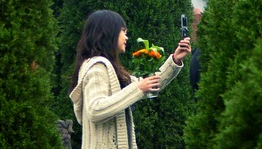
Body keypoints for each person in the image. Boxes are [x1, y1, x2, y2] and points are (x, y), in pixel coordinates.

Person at [69, 10, 191, 149]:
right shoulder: (97, 68)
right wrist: (138, 88)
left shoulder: (111, 69)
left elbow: (151, 84)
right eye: (123, 31)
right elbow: (95, 110)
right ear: (108, 32)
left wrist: (175, 59)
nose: (126, 37)